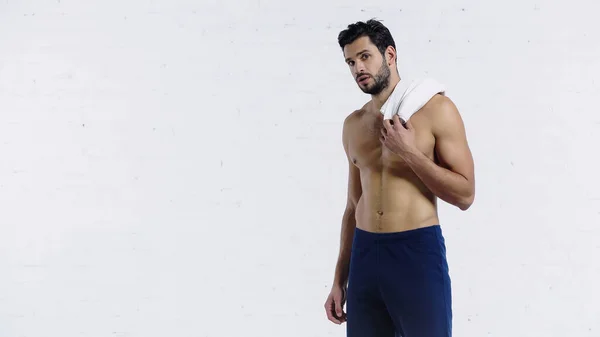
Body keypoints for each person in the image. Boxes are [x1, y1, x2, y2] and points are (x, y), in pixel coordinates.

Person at [324, 19, 476, 337]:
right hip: (365, 257)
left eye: (365, 56)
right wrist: (340, 278)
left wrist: (408, 153)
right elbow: (353, 205)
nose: (357, 68)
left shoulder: (437, 110)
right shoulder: (353, 125)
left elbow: (465, 194)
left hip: (415, 253)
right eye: (350, 62)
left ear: (390, 54)